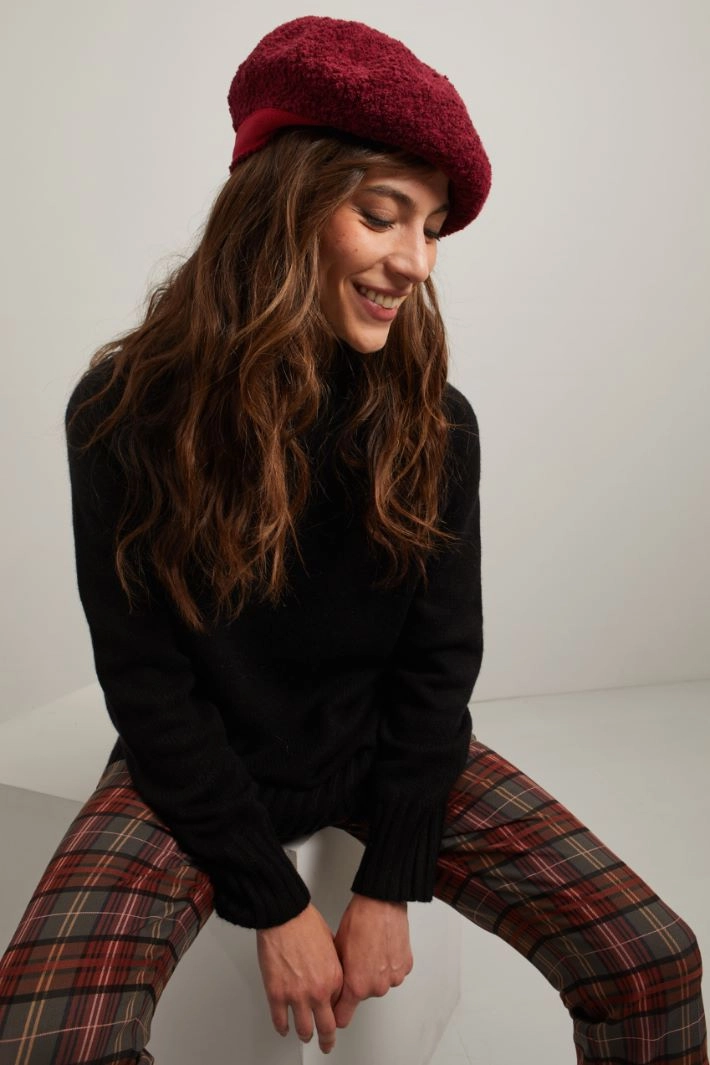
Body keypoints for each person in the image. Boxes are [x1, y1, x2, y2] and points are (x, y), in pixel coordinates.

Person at [0, 15, 706, 1065]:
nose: (415, 260)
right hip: (198, 769)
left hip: (381, 752)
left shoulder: (433, 422)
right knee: (46, 1039)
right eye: (382, 215)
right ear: (281, 208)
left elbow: (438, 659)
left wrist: (388, 881)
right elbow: (145, 680)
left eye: (432, 228)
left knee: (652, 961)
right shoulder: (123, 409)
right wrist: (274, 899)